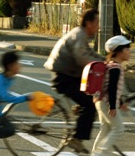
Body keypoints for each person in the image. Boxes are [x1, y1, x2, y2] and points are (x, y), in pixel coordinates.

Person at [44, 8, 104, 154]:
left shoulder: (81, 34)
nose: (98, 26)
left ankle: (79, 113)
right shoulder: (79, 35)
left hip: (68, 74)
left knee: (89, 98)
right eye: (97, 22)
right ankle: (76, 139)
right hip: (63, 77)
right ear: (89, 23)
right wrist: (100, 67)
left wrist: (106, 62)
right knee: (90, 105)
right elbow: (82, 58)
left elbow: (89, 53)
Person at [91, 35, 131, 156]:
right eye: (127, 50)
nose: (129, 52)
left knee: (105, 129)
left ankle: (95, 154)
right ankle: (100, 153)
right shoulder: (115, 68)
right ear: (118, 52)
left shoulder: (110, 65)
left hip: (100, 101)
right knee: (119, 129)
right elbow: (111, 88)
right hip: (106, 103)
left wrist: (120, 103)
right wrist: (113, 106)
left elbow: (110, 88)